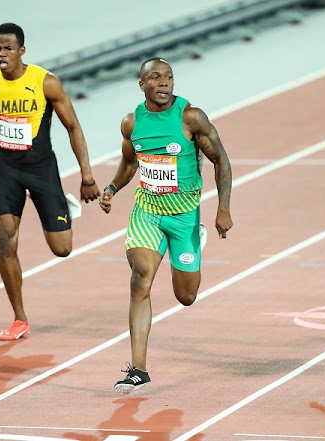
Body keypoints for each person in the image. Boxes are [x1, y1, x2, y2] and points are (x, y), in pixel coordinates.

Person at [0, 23, 101, 340]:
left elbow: (73, 127)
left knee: (62, 248)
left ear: (22, 50)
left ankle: (52, 201)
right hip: (6, 169)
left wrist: (86, 174)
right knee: (6, 239)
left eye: (8, 48)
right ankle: (20, 318)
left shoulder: (45, 82)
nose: (2, 53)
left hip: (41, 169)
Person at [99, 58, 233, 394]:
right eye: (155, 78)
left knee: (186, 296)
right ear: (141, 84)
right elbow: (131, 161)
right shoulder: (132, 123)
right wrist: (113, 188)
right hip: (147, 210)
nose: (164, 84)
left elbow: (221, 159)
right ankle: (138, 370)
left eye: (169, 77)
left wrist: (223, 209)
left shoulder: (191, 118)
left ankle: (192, 242)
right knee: (139, 279)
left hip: (185, 214)